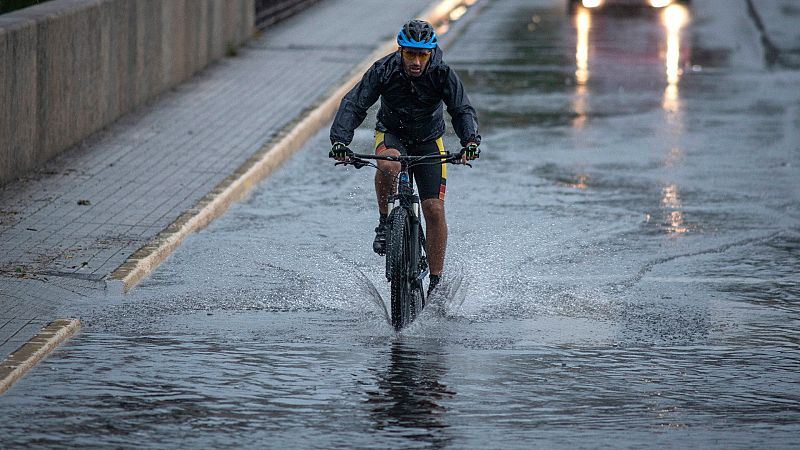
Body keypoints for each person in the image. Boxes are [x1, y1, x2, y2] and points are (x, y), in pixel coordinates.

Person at [329, 19, 481, 295]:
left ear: (431, 53)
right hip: (391, 134)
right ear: (401, 50)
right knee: (390, 163)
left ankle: (435, 282)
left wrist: (470, 141)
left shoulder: (442, 73)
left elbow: (462, 110)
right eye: (410, 53)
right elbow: (355, 104)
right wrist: (340, 140)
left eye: (422, 54)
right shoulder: (384, 69)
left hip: (428, 140)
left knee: (433, 209)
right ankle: (385, 223)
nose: (416, 61)